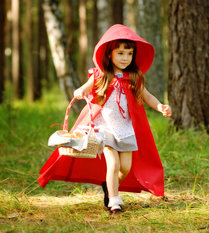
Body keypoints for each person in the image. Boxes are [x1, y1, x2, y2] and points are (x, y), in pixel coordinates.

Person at [37, 24, 171, 214]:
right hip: (105, 128)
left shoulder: (133, 77)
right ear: (110, 54)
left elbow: (147, 96)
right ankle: (114, 202)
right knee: (113, 163)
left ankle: (109, 187)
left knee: (125, 167)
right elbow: (87, 86)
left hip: (125, 128)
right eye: (120, 53)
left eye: (129, 54)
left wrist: (160, 106)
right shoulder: (102, 75)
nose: (125, 58)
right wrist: (81, 90)